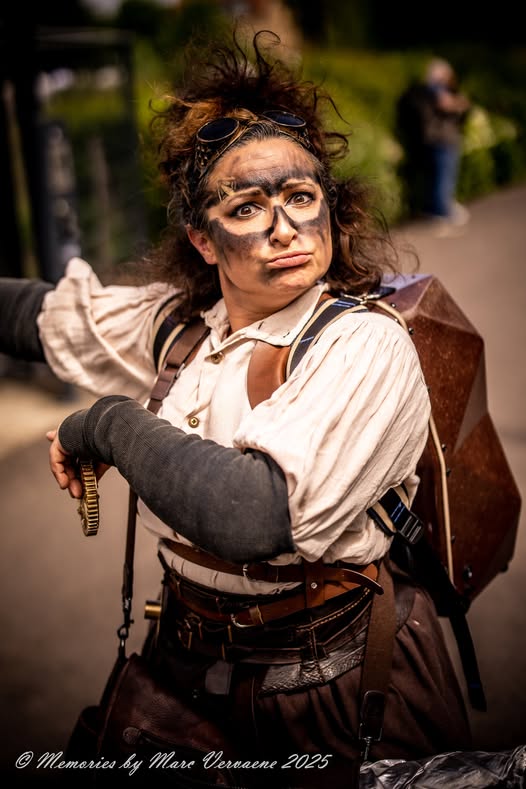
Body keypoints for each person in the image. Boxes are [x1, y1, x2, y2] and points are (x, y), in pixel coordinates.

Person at [0, 30, 471, 788]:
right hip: (182, 669)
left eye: (301, 197)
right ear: (203, 237)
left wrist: (106, 425)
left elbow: (253, 513)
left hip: (334, 685)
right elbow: (43, 316)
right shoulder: (184, 329)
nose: (284, 227)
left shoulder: (365, 343)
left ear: (331, 211)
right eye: (248, 206)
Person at [396, 58, 471, 235]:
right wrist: (458, 104)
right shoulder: (435, 90)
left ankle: (437, 213)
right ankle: (440, 216)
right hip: (442, 140)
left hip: (433, 140)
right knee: (442, 179)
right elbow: (449, 105)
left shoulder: (421, 91)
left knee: (437, 179)